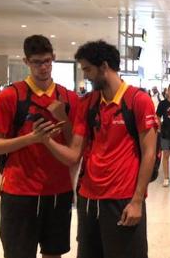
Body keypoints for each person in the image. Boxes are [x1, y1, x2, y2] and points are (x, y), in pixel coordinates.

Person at [42, 40, 158, 258]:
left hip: (122, 199)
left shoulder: (138, 101)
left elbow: (149, 153)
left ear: (104, 66)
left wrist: (137, 201)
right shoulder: (88, 103)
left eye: (88, 69)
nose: (85, 75)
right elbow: (74, 154)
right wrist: (45, 140)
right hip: (88, 199)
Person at [0, 34, 78, 258]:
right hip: (19, 191)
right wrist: (31, 139)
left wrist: (62, 116)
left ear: (54, 58)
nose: (43, 67)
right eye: (37, 62)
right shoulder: (10, 97)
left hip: (58, 189)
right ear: (26, 62)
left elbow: (75, 145)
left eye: (47, 61)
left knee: (54, 252)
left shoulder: (68, 97)